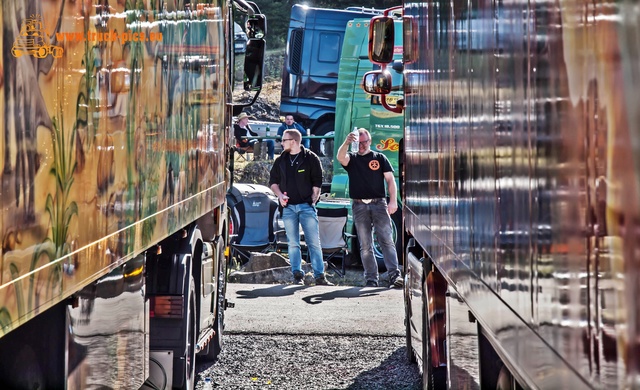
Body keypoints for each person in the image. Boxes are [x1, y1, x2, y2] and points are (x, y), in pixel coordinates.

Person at [337, 128, 403, 288]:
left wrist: (393, 201)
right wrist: (346, 142)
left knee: (386, 240)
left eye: (364, 142)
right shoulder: (351, 159)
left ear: (370, 141)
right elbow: (340, 157)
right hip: (359, 205)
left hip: (379, 203)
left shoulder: (379, 157)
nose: (361, 145)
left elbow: (390, 180)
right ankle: (371, 279)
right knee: (365, 245)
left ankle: (395, 275)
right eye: (358, 143)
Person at [269, 129, 333, 286]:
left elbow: (317, 184)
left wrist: (312, 201)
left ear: (294, 141)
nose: (281, 143)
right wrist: (280, 196)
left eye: (284, 140)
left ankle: (320, 276)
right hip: (288, 207)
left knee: (314, 242)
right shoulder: (280, 160)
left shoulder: (311, 158)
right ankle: (297, 274)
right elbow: (273, 183)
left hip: (306, 206)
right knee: (293, 243)